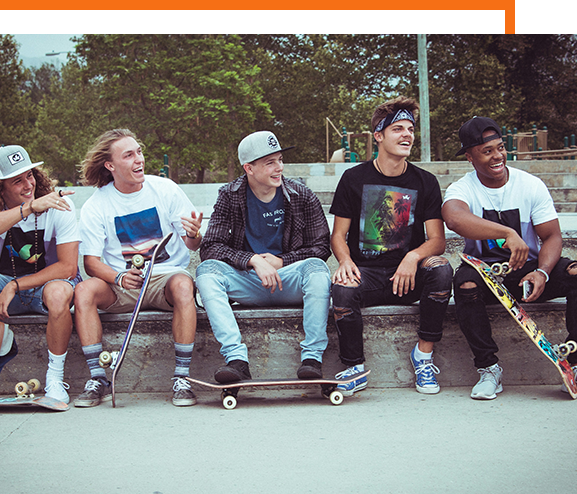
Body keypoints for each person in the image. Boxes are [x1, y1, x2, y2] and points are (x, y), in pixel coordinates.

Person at [442, 116, 577, 400]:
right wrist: (507, 232)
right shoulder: (462, 188)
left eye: (500, 148)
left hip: (527, 274)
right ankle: (489, 369)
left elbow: (552, 237)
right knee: (464, 284)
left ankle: (574, 362)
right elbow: (454, 218)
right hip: (484, 275)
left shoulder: (530, 185)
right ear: (470, 156)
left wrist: (542, 272)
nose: (497, 156)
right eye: (487, 151)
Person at [329, 96, 453, 396]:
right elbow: (337, 236)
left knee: (441, 270)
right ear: (379, 135)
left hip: (409, 276)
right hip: (369, 274)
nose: (407, 134)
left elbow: (437, 240)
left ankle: (423, 356)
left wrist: (413, 256)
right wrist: (345, 262)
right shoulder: (353, 178)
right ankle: (355, 368)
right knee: (342, 287)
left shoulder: (425, 182)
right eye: (398, 128)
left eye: (410, 128)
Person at [73, 129, 202, 407]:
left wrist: (194, 234)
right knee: (83, 291)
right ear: (110, 166)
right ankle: (98, 377)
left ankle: (182, 378)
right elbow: (90, 263)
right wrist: (118, 277)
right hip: (122, 285)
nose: (138, 160)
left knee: (183, 285)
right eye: (128, 155)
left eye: (139, 152)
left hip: (165, 279)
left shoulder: (165, 189)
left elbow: (192, 245)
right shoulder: (96, 205)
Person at [195, 130, 332, 383]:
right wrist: (252, 259)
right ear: (249, 168)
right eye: (270, 162)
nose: (279, 167)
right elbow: (210, 247)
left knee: (316, 269)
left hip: (288, 280)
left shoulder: (302, 195)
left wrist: (282, 261)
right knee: (207, 272)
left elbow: (321, 246)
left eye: (280, 160)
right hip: (248, 281)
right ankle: (237, 360)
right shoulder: (230, 195)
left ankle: (312, 359)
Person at [0, 145, 81, 404]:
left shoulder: (59, 203)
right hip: (9, 287)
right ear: (0, 187)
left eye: (30, 175)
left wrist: (14, 286)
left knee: (57, 292)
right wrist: (28, 208)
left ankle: (54, 379)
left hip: (51, 286)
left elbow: (68, 268)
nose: (27, 185)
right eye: (17, 181)